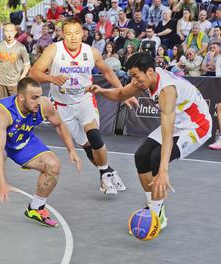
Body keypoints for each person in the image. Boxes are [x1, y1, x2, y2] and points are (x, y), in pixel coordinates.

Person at [87, 52, 212, 232]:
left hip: (196, 126)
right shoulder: (145, 79)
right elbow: (122, 93)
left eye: (136, 76)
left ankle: (156, 213)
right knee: (141, 156)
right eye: (131, 77)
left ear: (150, 72)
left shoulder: (166, 90)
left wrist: (163, 171)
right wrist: (102, 91)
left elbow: (167, 135)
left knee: (156, 159)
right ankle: (154, 205)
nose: (134, 81)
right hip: (179, 120)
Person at [29, 18, 137, 195]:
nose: (73, 37)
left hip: (85, 100)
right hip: (62, 106)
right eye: (69, 33)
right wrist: (51, 78)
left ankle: (104, 175)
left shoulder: (91, 52)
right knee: (87, 146)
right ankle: (108, 171)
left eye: (77, 33)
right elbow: (34, 72)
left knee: (93, 134)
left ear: (82, 33)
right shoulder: (54, 49)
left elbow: (108, 72)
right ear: (63, 35)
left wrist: (123, 93)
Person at [0, 77, 82, 234]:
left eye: (39, 96)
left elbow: (60, 124)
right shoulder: (4, 111)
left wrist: (72, 149)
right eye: (34, 97)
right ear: (21, 97)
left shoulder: (44, 105)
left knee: (54, 166)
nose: (38, 101)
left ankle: (36, 208)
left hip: (23, 138)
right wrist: (2, 182)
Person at [0, 22, 30, 102]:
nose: (9, 33)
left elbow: (27, 64)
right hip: (0, 82)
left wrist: (22, 76)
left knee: (15, 107)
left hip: (14, 83)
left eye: (11, 31)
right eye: (7, 31)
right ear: (4, 32)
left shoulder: (21, 48)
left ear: (15, 32)